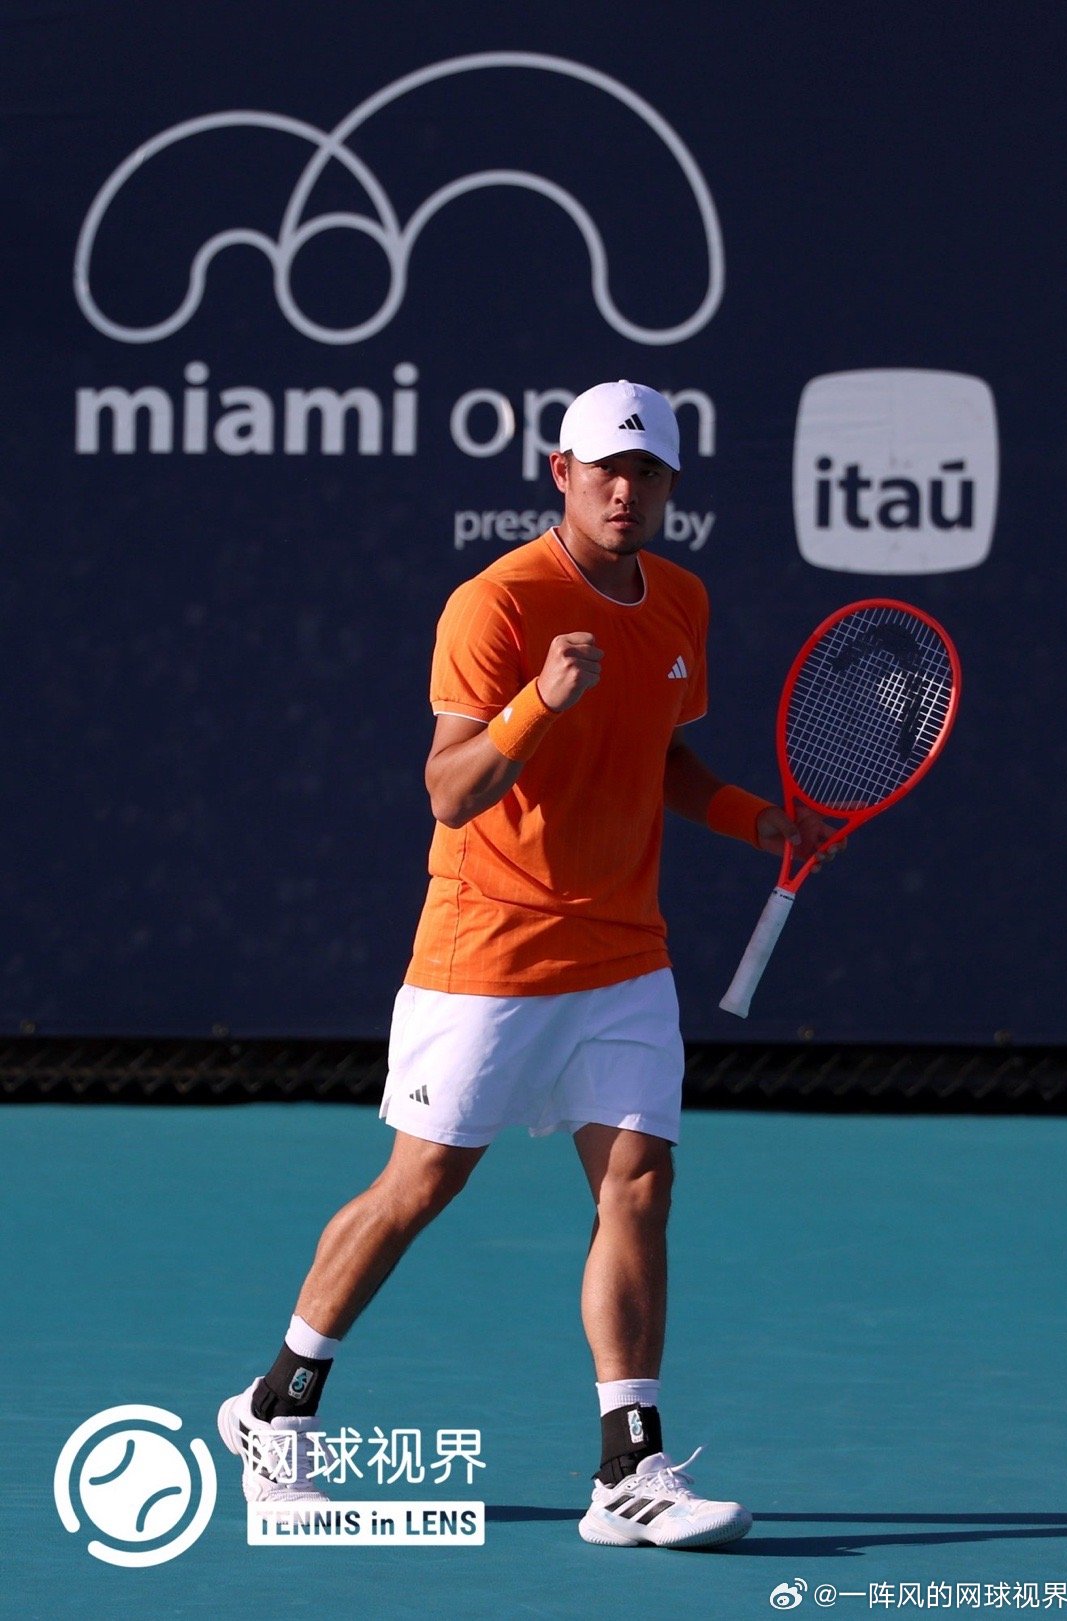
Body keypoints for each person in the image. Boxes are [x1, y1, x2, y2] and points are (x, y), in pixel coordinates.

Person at [218, 379, 836, 1550]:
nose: (624, 490)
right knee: (422, 1184)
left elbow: (662, 756)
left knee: (639, 1184)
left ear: (670, 485)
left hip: (625, 952)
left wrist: (755, 819)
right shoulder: (495, 603)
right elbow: (450, 789)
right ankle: (275, 1406)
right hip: (489, 947)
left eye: (646, 472)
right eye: (605, 468)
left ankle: (629, 1468)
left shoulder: (682, 601)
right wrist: (534, 705)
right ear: (561, 473)